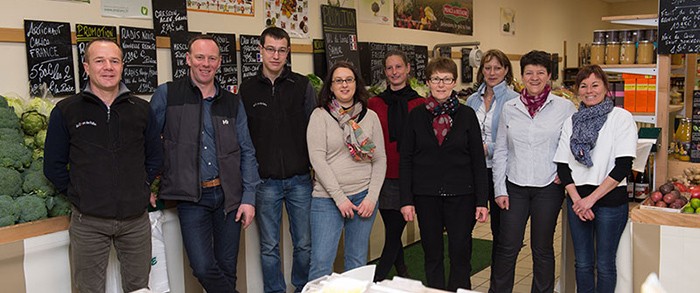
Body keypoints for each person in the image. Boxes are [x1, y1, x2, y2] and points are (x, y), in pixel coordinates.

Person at [43, 38, 162, 292]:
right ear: (86, 67)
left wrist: (141, 187)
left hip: (135, 221)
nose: (108, 67)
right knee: (88, 289)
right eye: (99, 61)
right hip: (89, 222)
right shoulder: (66, 110)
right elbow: (53, 166)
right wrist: (80, 194)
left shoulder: (141, 109)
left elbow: (155, 157)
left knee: (140, 287)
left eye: (114, 61)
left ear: (122, 66)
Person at [150, 34, 261, 293]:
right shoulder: (167, 95)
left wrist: (249, 197)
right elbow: (150, 144)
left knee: (226, 267)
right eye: (199, 57)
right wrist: (150, 183)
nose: (205, 63)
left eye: (212, 58)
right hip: (191, 198)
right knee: (202, 267)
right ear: (188, 59)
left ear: (219, 63)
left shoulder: (232, 102)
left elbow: (246, 150)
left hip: (228, 196)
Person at [490, 50, 576, 293]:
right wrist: (499, 189)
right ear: (522, 75)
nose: (535, 77)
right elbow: (502, 151)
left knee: (542, 248)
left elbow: (573, 145)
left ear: (549, 75)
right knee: (508, 246)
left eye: (540, 72)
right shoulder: (510, 107)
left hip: (548, 187)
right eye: (529, 72)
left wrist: (566, 172)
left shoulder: (564, 108)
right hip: (514, 186)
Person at [399, 57, 489, 291]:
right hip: (426, 196)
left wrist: (482, 200)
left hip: (462, 196)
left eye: (446, 79)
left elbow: (478, 161)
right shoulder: (416, 116)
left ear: (454, 82)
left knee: (460, 253)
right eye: (436, 79)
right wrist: (406, 200)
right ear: (428, 82)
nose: (441, 84)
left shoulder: (467, 115)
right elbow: (406, 159)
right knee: (432, 253)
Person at [239, 27, 316, 293]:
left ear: (288, 53)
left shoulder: (302, 86)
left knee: (304, 243)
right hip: (265, 182)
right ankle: (274, 290)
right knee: (269, 246)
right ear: (260, 50)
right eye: (270, 49)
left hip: (300, 179)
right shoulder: (246, 90)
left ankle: (303, 287)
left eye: (281, 50)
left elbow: (314, 131)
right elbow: (243, 138)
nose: (276, 55)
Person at [554, 65, 637, 293]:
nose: (589, 90)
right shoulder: (572, 121)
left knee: (605, 265)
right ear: (577, 90)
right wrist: (578, 201)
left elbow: (623, 167)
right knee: (582, 263)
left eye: (595, 84)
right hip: (577, 200)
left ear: (605, 87)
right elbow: (562, 165)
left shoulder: (621, 118)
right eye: (583, 85)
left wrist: (589, 200)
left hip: (609, 202)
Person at [306, 61, 387, 281]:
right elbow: (317, 160)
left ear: (356, 84)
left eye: (349, 80)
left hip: (363, 199)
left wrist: (372, 197)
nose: (344, 85)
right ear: (330, 87)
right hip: (328, 200)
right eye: (338, 81)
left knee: (357, 262)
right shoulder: (319, 116)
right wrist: (340, 198)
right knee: (321, 263)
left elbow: (380, 159)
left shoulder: (369, 117)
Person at [367, 50, 425, 282]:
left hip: (408, 177)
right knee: (392, 228)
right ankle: (402, 271)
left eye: (398, 67)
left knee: (394, 231)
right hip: (381, 175)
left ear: (408, 68)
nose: (394, 72)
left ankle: (378, 278)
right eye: (389, 68)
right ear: (385, 72)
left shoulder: (420, 104)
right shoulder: (374, 103)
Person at [465, 49, 519, 277]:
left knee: (501, 231)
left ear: (506, 70)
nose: (492, 72)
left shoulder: (514, 99)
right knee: (463, 228)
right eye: (487, 68)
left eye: (497, 67)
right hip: (473, 173)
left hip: (500, 173)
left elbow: (515, 140)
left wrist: (487, 148)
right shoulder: (471, 100)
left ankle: (498, 284)